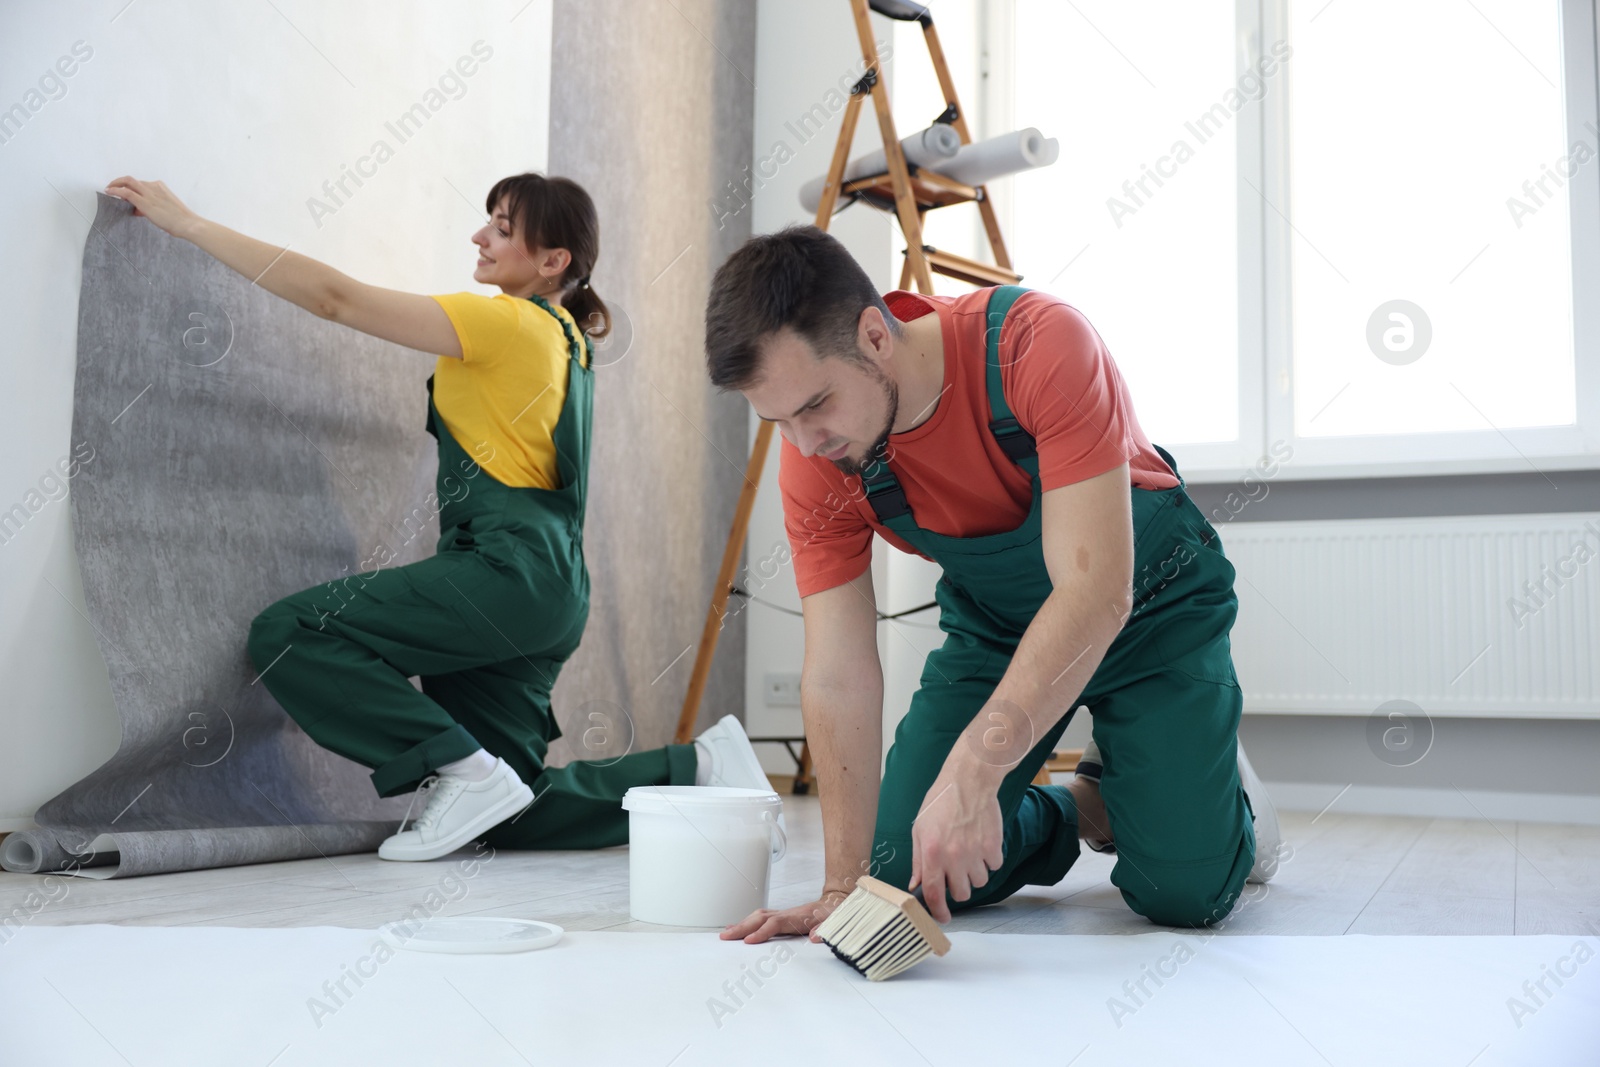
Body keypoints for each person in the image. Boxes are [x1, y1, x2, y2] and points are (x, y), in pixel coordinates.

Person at [103, 173, 773, 862]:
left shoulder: (509, 321)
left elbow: (336, 300)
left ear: (553, 261)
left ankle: (464, 769)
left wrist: (189, 225)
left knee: (290, 631)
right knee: (513, 810)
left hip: (503, 571)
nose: (480, 236)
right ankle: (700, 766)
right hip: (550, 588)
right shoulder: (571, 343)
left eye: (503, 227)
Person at [705, 225, 1283, 943]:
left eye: (816, 404)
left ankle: (1226, 805)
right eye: (777, 421)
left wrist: (977, 770)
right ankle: (1092, 802)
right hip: (1001, 626)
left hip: (1148, 606)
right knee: (902, 876)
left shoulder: (1038, 346)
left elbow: (1096, 592)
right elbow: (836, 673)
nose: (803, 442)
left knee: (1185, 891)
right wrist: (842, 886)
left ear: (875, 337)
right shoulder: (817, 459)